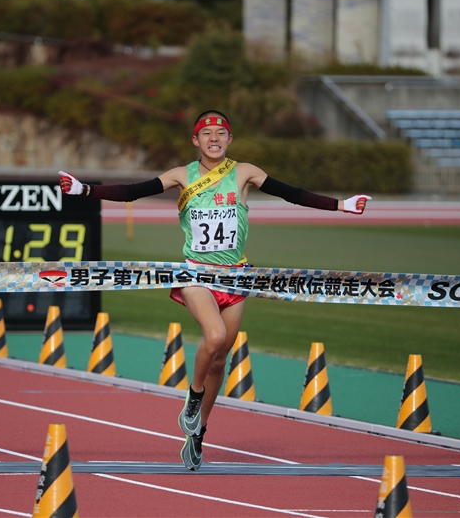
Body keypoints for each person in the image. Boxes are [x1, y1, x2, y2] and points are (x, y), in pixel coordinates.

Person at [59, 110, 371, 471]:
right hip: (196, 276)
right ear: (196, 141)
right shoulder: (181, 176)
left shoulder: (244, 173)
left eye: (221, 134)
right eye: (207, 133)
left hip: (235, 277)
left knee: (221, 357)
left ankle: (198, 433)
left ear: (229, 140)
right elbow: (133, 192)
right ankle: (193, 398)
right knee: (215, 335)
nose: (214, 138)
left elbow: (292, 194)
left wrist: (342, 205)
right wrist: (84, 190)